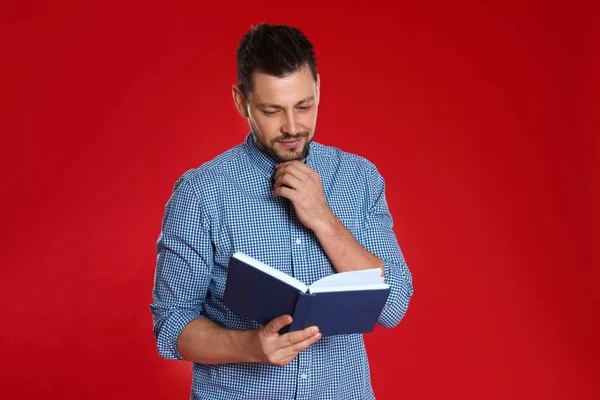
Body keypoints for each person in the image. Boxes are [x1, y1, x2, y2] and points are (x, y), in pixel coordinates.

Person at [150, 23, 414, 400]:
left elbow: (393, 306)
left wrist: (322, 217)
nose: (292, 127)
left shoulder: (359, 177)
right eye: (272, 110)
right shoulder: (201, 192)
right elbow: (172, 325)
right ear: (241, 101)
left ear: (319, 89)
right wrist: (251, 347)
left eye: (304, 106)